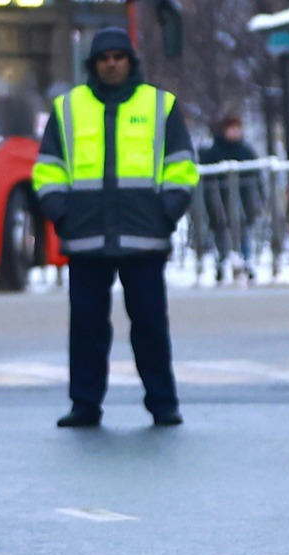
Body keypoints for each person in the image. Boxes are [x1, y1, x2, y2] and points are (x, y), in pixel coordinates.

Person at [34, 27, 197, 428]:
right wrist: (61, 213)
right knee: (87, 328)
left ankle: (164, 403)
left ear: (130, 61)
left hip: (144, 235)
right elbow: (47, 169)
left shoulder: (161, 105)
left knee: (150, 326)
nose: (111, 63)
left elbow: (182, 166)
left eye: (118, 56)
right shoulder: (67, 108)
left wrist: (166, 213)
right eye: (104, 57)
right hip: (86, 235)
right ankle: (85, 405)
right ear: (93, 64)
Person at [199, 114, 260, 281]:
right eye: (231, 129)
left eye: (237, 128)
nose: (234, 132)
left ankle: (246, 262)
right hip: (219, 202)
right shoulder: (214, 151)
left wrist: (256, 199)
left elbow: (256, 176)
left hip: (243, 201)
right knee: (221, 234)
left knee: (244, 234)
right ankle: (222, 262)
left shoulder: (246, 151)